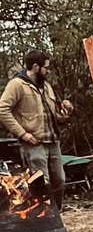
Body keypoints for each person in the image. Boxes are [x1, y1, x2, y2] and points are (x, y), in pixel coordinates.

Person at [0, 47, 74, 214]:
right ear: (35, 67)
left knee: (60, 181)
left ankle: (56, 214)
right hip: (34, 143)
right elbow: (2, 110)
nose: (47, 71)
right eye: (45, 67)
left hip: (53, 141)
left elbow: (54, 114)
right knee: (42, 183)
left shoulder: (46, 86)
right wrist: (23, 134)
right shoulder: (17, 85)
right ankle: (45, 217)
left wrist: (65, 113)